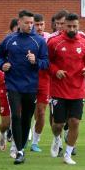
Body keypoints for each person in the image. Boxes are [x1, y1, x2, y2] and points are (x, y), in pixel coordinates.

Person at [0, 10, 49, 165]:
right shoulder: (9, 39)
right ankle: (19, 151)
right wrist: (2, 65)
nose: (30, 25)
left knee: (26, 118)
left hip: (31, 86)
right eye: (27, 22)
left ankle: (21, 147)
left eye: (32, 23)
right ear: (19, 23)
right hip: (12, 84)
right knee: (16, 116)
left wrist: (36, 61)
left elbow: (46, 63)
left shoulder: (39, 41)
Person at [47, 13, 85, 165]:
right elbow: (46, 62)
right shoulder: (54, 43)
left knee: (74, 122)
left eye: (75, 26)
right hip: (59, 90)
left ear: (78, 26)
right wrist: (56, 71)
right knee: (58, 125)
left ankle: (68, 154)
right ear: (63, 26)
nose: (72, 29)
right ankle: (56, 138)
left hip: (78, 90)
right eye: (69, 26)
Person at [31, 13, 51, 152]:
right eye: (36, 24)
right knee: (26, 112)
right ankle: (25, 136)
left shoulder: (49, 39)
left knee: (41, 112)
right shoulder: (27, 39)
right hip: (28, 80)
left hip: (44, 81)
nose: (39, 27)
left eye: (41, 24)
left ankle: (35, 142)